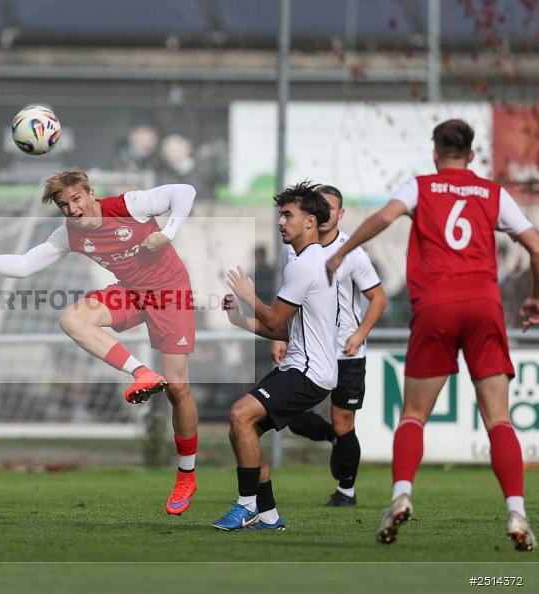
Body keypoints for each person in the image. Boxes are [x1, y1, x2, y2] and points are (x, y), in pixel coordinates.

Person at [325, 119, 539, 551]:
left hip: (435, 307)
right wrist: (535, 296)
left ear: (435, 152)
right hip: (483, 305)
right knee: (498, 418)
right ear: (472, 155)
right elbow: (535, 244)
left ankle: (401, 493)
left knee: (413, 415)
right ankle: (516, 510)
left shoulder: (420, 187)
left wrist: (343, 251)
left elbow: (384, 217)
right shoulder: (492, 194)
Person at [0, 168, 200, 515]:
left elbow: (184, 191)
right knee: (72, 319)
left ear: (91, 194)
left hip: (170, 292)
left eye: (76, 199)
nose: (72, 210)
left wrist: (168, 232)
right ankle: (141, 373)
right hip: (129, 293)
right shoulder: (68, 234)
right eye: (64, 205)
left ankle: (186, 474)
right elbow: (23, 265)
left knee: (178, 388)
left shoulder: (130, 205)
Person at [215, 182, 336, 531]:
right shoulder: (302, 261)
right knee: (241, 429)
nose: (281, 222)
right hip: (302, 365)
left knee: (240, 414)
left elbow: (274, 319)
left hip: (309, 373)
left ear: (311, 222)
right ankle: (268, 515)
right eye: (280, 214)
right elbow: (285, 332)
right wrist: (239, 318)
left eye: (288, 215)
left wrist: (249, 295)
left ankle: (246, 505)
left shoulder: (307, 265)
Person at [274, 185, 388, 507]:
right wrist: (282, 338)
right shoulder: (294, 249)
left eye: (331, 207)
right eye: (319, 206)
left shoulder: (351, 253)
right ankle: (334, 439)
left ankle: (346, 491)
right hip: (307, 351)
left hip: (345, 353)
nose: (325, 212)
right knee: (293, 418)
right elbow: (290, 300)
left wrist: (360, 333)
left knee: (343, 422)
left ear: (340, 214)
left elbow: (378, 299)